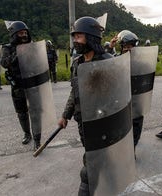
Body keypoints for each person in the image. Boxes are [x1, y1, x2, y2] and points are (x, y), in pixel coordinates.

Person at [57, 16, 113, 196]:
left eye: (79, 36)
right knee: (95, 160)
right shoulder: (77, 63)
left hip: (103, 124)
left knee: (88, 169)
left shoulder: (108, 62)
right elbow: (75, 93)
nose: (75, 41)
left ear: (91, 37)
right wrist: (65, 115)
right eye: (74, 37)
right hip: (84, 123)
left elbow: (118, 97)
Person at [1, 21, 41, 149]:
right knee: (22, 113)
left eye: (25, 33)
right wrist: (18, 53)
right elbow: (4, 63)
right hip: (17, 86)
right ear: (14, 34)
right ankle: (27, 134)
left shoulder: (32, 46)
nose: (23, 35)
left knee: (35, 112)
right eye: (20, 33)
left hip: (32, 84)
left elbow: (40, 64)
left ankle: (37, 140)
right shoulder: (7, 48)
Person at [108, 30, 146, 150]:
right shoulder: (117, 60)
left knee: (136, 125)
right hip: (121, 99)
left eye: (131, 46)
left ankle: (132, 149)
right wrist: (110, 47)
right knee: (120, 125)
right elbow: (105, 63)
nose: (128, 49)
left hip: (136, 100)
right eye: (125, 46)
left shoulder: (141, 63)